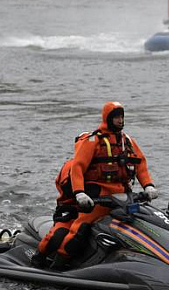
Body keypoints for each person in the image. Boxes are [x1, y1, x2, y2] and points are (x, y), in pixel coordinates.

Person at [31, 101, 158, 269]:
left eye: (122, 117)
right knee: (80, 229)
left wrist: (148, 185)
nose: (120, 120)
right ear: (108, 118)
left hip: (123, 196)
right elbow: (78, 167)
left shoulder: (127, 141)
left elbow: (140, 164)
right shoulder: (93, 140)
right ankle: (58, 264)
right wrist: (80, 193)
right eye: (116, 117)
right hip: (97, 197)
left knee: (138, 223)